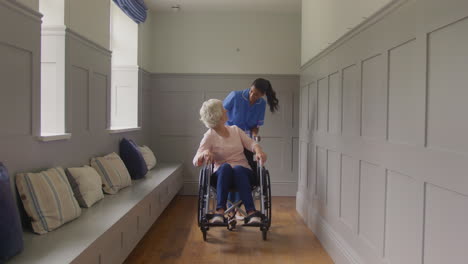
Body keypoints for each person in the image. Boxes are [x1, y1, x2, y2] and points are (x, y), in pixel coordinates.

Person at [193, 99, 267, 224]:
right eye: (223, 109)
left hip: (244, 173)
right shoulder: (209, 135)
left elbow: (251, 144)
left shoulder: (235, 130)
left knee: (237, 168)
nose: (226, 110)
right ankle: (219, 212)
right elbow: (195, 160)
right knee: (226, 167)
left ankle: (251, 213)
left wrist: (258, 150)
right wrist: (205, 153)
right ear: (217, 115)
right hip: (222, 176)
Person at [222, 78, 279, 218]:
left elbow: (255, 127)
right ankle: (230, 208)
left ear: (263, 95)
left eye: (257, 94)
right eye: (252, 91)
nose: (252, 95)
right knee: (229, 170)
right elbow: (221, 114)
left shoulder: (261, 104)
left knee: (241, 171)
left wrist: (254, 137)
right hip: (229, 139)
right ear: (250, 87)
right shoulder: (235, 96)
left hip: (246, 141)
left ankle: (237, 207)